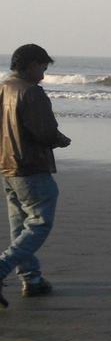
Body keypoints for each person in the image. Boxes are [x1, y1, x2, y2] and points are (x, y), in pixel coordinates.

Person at [0, 44, 72, 306]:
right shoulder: (32, 93)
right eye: (42, 67)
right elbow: (44, 131)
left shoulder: (4, 86)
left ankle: (31, 278)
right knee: (39, 223)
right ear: (31, 65)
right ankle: (4, 267)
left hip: (7, 165)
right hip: (30, 166)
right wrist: (61, 139)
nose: (43, 73)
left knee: (20, 224)